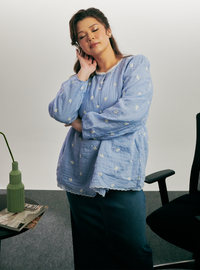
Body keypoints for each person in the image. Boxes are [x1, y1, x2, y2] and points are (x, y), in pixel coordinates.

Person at [49, 7, 153, 270]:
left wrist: (82, 126)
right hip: (80, 174)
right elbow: (60, 111)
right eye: (82, 36)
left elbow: (132, 114)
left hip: (120, 176)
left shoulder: (134, 64)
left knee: (132, 250)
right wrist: (83, 72)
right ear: (78, 44)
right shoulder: (82, 80)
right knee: (90, 251)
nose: (90, 38)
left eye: (94, 29)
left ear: (107, 30)